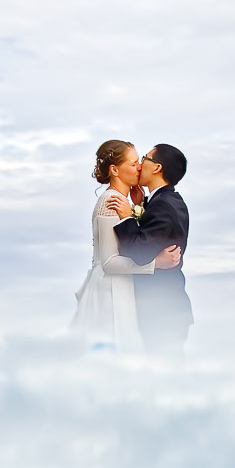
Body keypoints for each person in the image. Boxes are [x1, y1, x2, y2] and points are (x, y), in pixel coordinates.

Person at [71, 139, 182, 353]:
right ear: (114, 170)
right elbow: (109, 263)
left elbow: (134, 241)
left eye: (139, 162)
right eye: (133, 164)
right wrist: (156, 263)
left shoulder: (125, 202)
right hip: (109, 291)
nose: (139, 167)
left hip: (124, 287)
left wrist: (138, 206)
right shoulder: (110, 202)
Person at [114, 144, 192, 354]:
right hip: (168, 308)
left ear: (157, 168)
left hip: (162, 311)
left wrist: (126, 218)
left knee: (165, 376)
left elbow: (139, 253)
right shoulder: (167, 201)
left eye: (145, 159)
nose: (139, 165)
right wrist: (142, 204)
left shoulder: (163, 205)